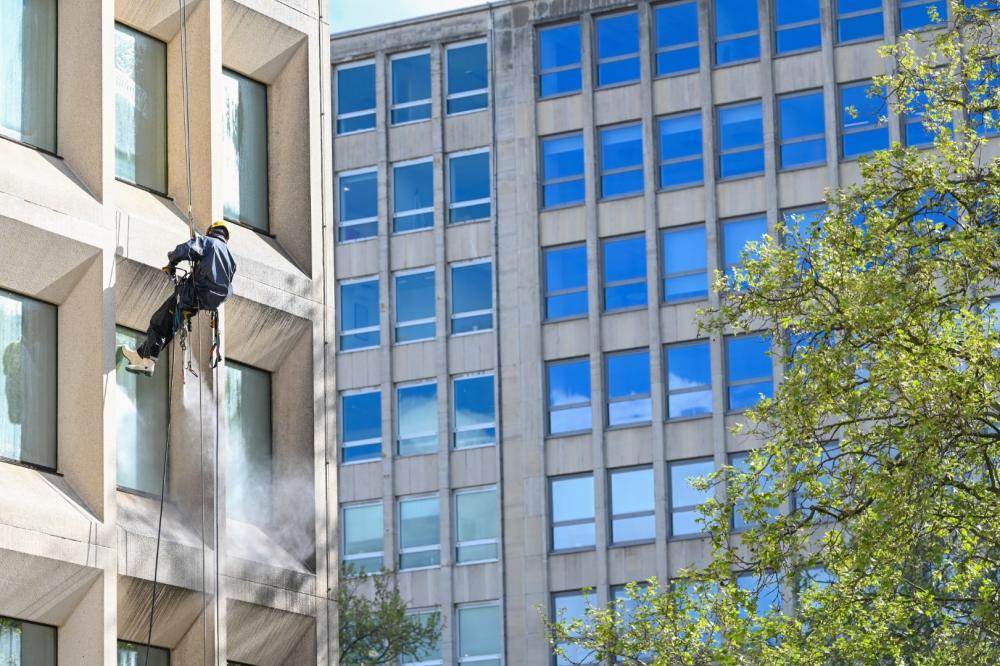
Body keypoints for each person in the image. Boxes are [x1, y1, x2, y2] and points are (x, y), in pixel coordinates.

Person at [120, 221, 237, 375]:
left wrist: (172, 262)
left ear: (211, 230)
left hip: (191, 295)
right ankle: (140, 355)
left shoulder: (208, 242)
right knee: (169, 325)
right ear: (226, 236)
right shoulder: (231, 260)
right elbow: (228, 286)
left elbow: (185, 249)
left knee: (159, 321)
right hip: (201, 303)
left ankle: (148, 362)